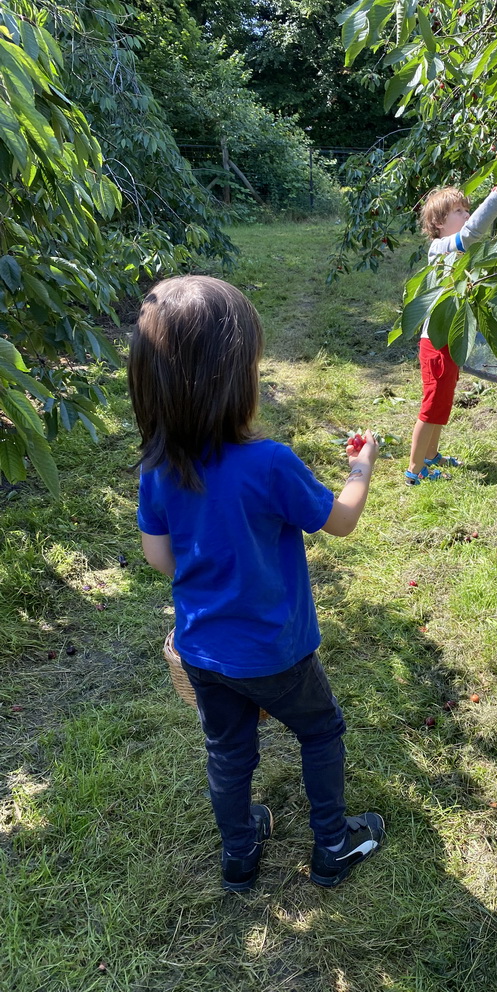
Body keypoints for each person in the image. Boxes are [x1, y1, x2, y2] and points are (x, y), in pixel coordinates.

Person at [127, 275, 384, 892]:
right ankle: (332, 845)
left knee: (228, 749)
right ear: (235, 379)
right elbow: (342, 521)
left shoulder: (157, 470)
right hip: (275, 651)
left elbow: (159, 557)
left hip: (201, 652)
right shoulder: (270, 463)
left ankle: (239, 855)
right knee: (321, 728)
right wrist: (360, 467)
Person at [405, 182, 497, 485]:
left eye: (466, 210)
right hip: (436, 343)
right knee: (432, 403)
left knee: (443, 400)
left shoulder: (458, 251)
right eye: (458, 211)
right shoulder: (440, 248)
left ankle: (430, 455)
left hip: (451, 341)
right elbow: (471, 234)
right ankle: (414, 469)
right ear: (437, 224)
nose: (466, 215)